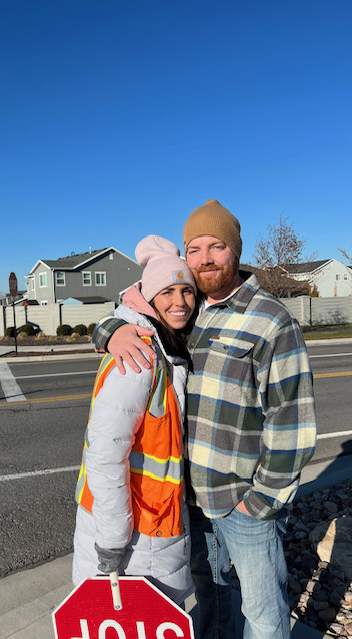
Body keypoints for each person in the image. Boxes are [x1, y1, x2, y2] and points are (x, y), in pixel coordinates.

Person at [93, 200, 317, 639]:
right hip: (189, 498)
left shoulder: (272, 321)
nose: (204, 259)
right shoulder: (184, 312)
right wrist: (108, 332)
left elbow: (292, 422)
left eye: (216, 247)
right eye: (193, 249)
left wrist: (261, 502)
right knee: (210, 595)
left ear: (235, 251)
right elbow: (130, 312)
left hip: (242, 501)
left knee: (263, 612)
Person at [72, 234, 198, 607]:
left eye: (187, 291)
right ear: (150, 299)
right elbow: (106, 453)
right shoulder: (140, 358)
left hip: (156, 523)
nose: (180, 302)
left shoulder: (170, 343)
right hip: (133, 536)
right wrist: (111, 540)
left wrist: (108, 328)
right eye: (168, 292)